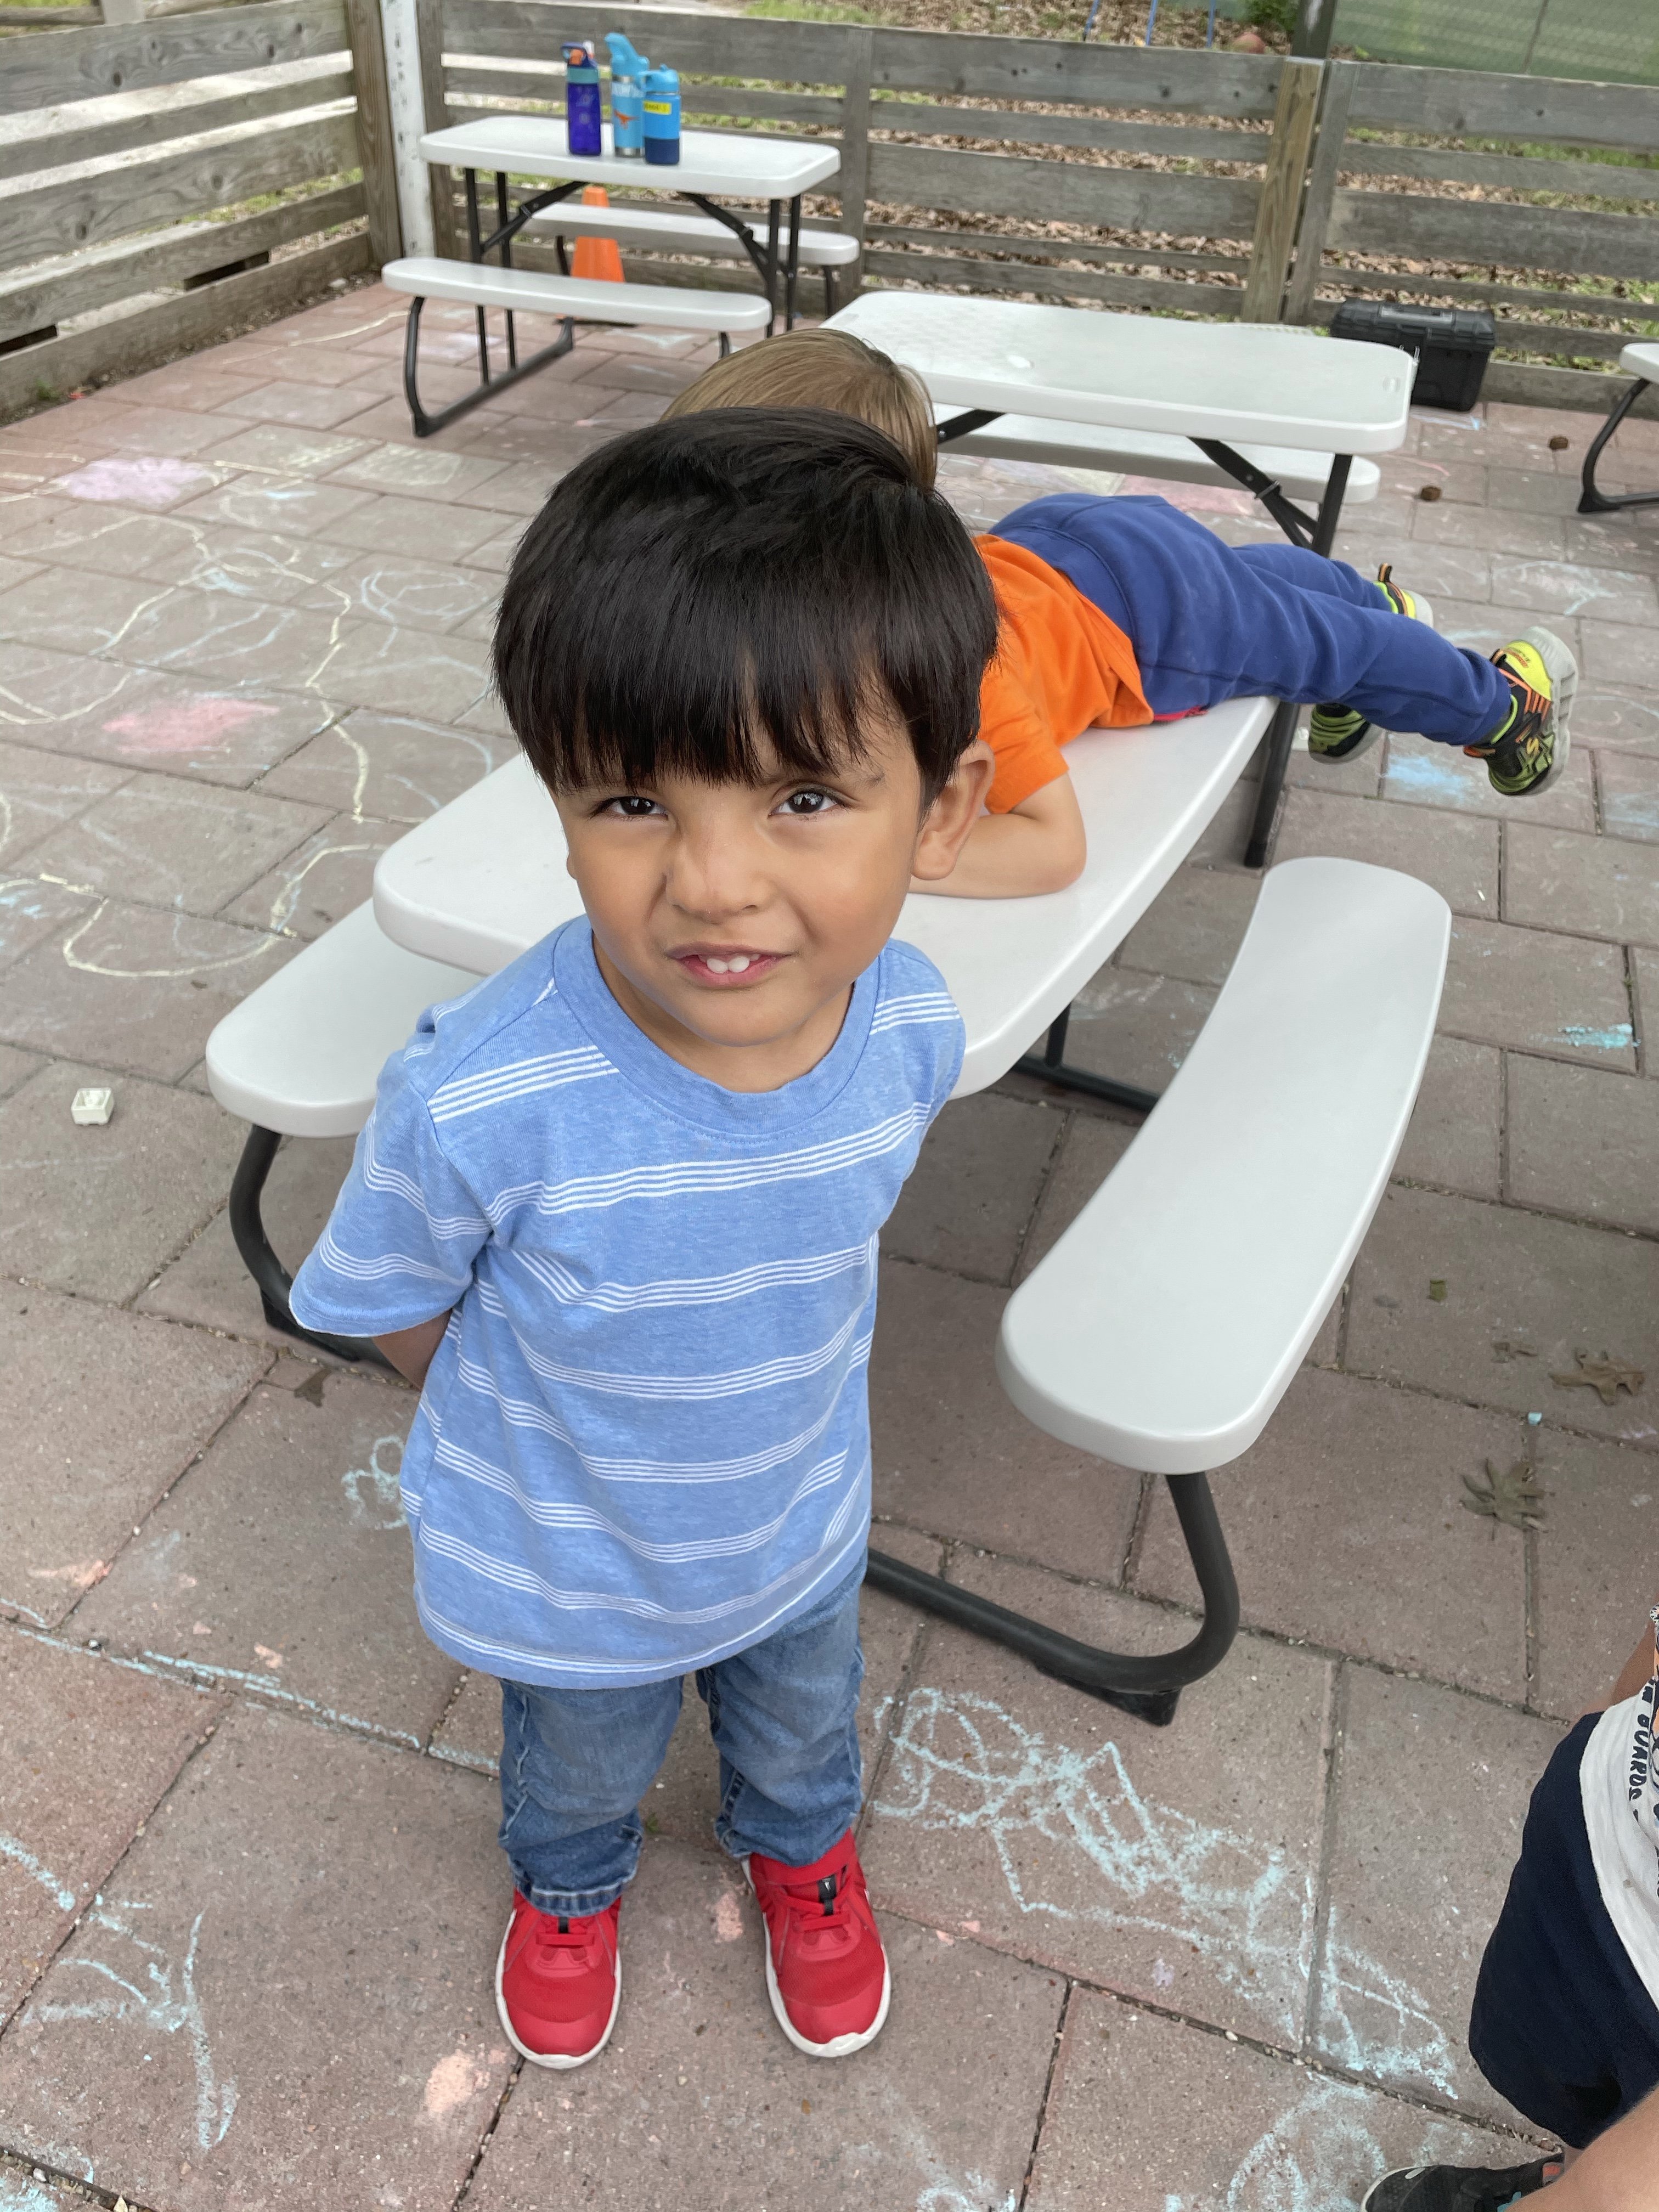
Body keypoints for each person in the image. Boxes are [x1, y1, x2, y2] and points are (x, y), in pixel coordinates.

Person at [289, 412, 998, 2072]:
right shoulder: (483, 1096)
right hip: (572, 1565)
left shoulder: (911, 1030)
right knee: (579, 1763)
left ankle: (804, 1855)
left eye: (806, 794)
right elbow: (396, 1301)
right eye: (631, 798)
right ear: (554, 800)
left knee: (806, 1728)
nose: (715, 881)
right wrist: (532, 1435)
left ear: (943, 809)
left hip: (799, 1521)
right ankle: (568, 1886)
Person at [665, 331, 1578, 900]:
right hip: (1057, 541)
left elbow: (1052, 849)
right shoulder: (854, 606)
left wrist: (853, 858)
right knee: (1263, 586)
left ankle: (1502, 706)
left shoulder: (945, 675)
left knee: (1331, 649)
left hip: (1152, 632)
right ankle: (1380, 600)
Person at [1364, 1594, 1659, 2212]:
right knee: (1571, 2093)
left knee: (1616, 2183)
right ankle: (1566, 2172)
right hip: (1595, 1830)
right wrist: (1610, 1714)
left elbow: (1623, 2195)